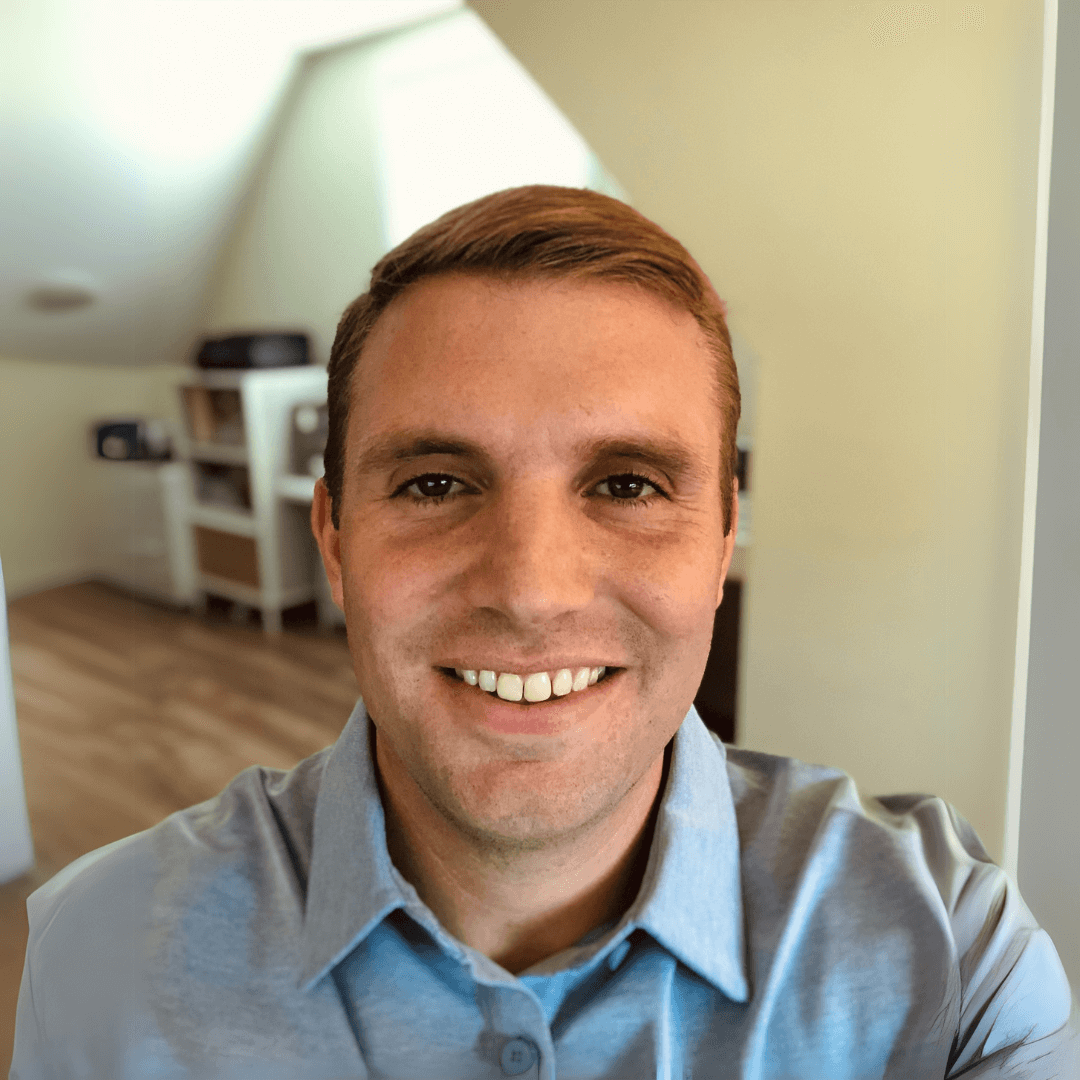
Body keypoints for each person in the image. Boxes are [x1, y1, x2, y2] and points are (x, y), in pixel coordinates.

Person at [11, 186, 1076, 1080]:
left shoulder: (954, 961)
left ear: (720, 542)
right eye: (435, 483)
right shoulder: (103, 957)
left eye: (627, 484)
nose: (530, 592)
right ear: (335, 542)